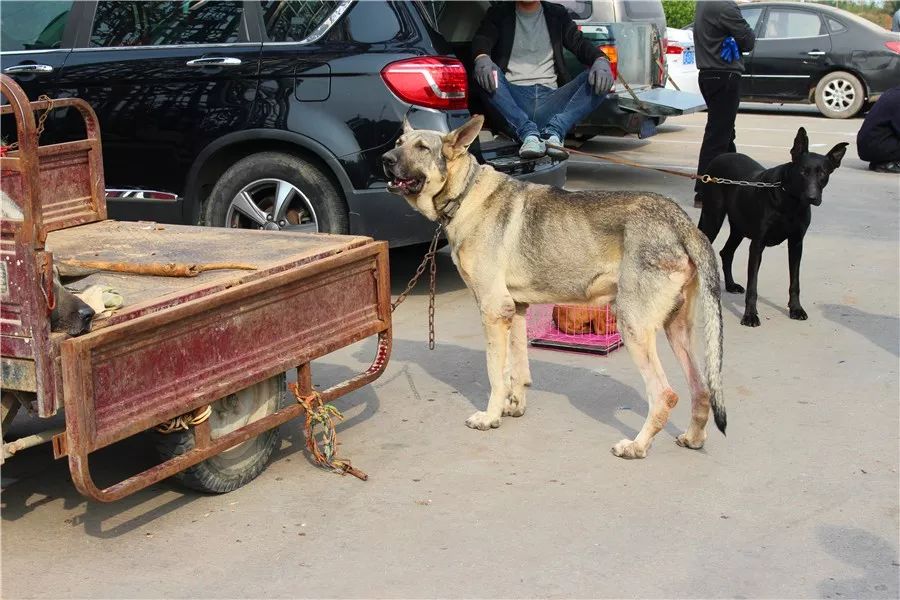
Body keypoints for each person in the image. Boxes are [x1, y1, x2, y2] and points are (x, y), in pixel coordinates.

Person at [471, 0, 614, 160]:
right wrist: (481, 57)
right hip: (514, 101)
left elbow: (579, 43)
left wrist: (601, 60)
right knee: (483, 72)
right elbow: (483, 38)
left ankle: (554, 132)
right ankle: (527, 133)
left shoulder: (557, 14)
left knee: (599, 76)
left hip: (552, 100)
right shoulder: (498, 13)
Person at [693, 1, 756, 208]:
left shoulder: (704, 3)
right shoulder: (725, 6)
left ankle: (734, 183)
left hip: (710, 75)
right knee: (718, 136)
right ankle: (704, 191)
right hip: (724, 76)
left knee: (726, 134)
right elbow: (748, 41)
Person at [857, 85, 900, 174]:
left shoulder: (894, 91)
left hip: (872, 145)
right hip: (875, 146)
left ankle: (883, 162)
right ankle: (887, 164)